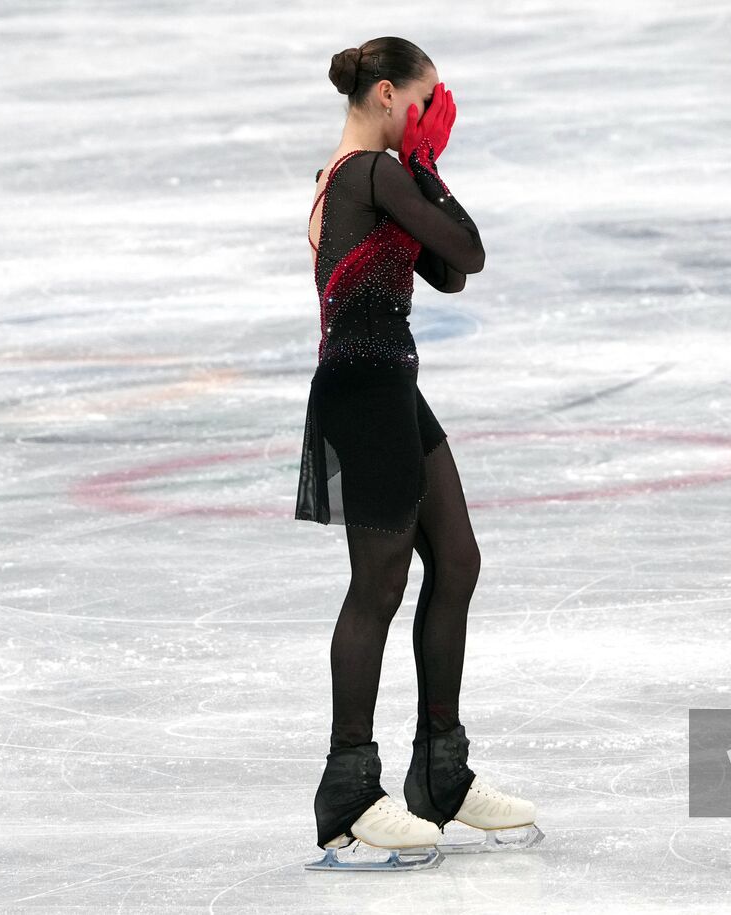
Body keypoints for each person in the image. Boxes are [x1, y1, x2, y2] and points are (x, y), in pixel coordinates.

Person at [295, 37, 543, 868]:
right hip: (364, 392)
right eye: (426, 102)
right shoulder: (369, 175)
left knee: (457, 559)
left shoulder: (370, 179)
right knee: (378, 585)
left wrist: (422, 169)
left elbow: (448, 272)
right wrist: (426, 166)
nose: (433, 116)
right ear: (389, 96)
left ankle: (441, 771)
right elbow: (472, 251)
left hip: (391, 386)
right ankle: (348, 790)